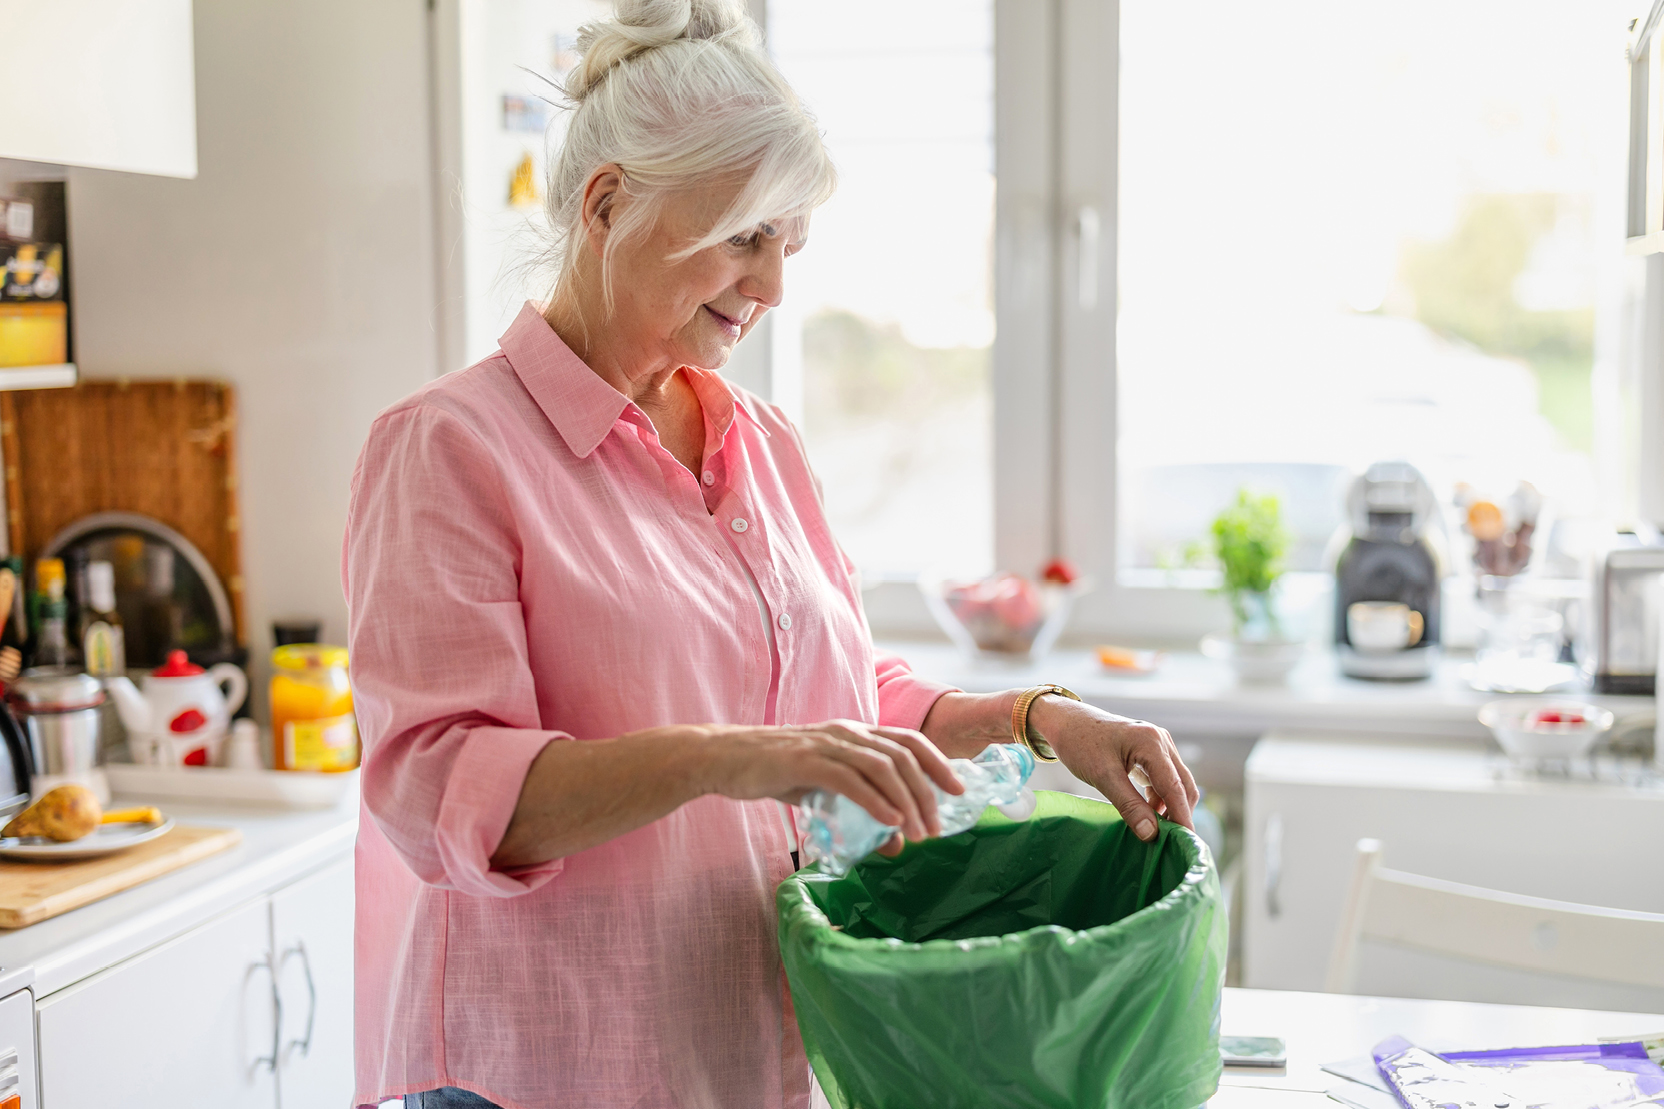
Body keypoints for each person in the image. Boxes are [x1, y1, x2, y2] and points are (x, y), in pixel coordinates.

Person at [344, 2, 1199, 1106]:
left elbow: (837, 703)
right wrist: (726, 754)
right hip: (541, 1066)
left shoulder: (765, 442)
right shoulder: (450, 446)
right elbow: (437, 785)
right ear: (608, 203)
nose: (774, 286)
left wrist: (1039, 717)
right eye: (745, 236)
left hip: (747, 1048)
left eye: (788, 245)